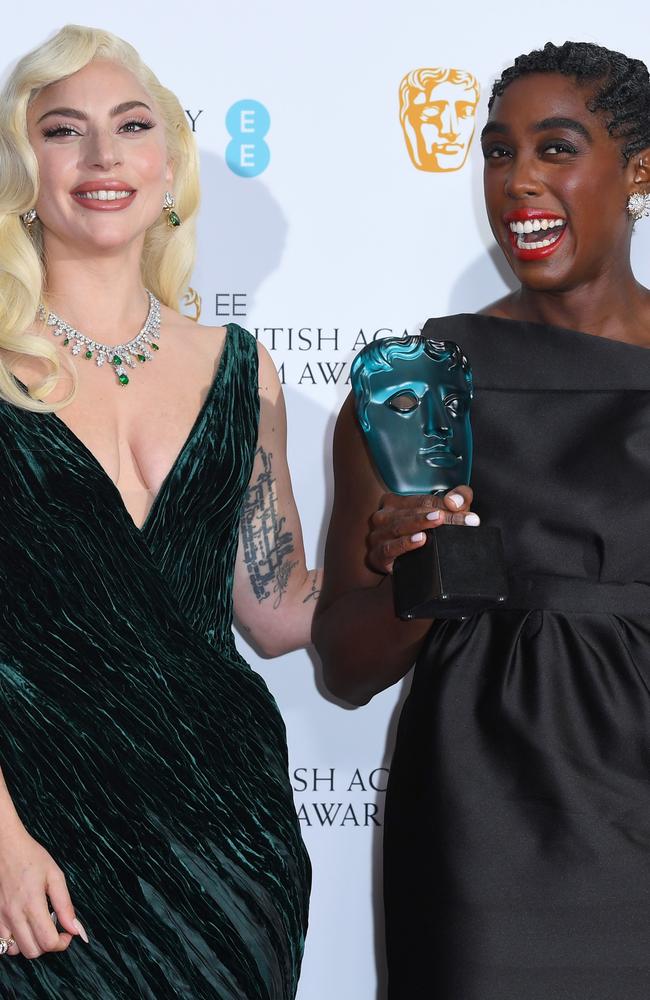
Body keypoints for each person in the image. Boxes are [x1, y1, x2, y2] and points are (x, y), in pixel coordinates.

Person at [314, 40, 650, 1000]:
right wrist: (418, 576)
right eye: (499, 153)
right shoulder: (417, 388)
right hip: (481, 839)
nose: (519, 182)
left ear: (639, 170)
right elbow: (345, 668)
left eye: (556, 148)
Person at [0, 24, 319, 1000]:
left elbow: (274, 610)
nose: (102, 157)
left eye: (130, 125)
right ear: (24, 168)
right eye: (64, 130)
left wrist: (413, 546)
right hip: (39, 831)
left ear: (167, 163)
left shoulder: (240, 369)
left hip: (231, 836)